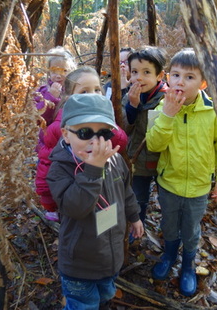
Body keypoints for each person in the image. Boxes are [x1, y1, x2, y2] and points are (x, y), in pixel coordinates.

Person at [46, 93, 144, 310]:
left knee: (106, 292)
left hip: (110, 256)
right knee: (83, 304)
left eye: (104, 133)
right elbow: (76, 207)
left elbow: (126, 190)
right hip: (80, 264)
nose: (95, 141)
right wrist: (93, 169)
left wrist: (134, 216)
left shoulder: (115, 160)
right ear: (65, 134)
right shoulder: (59, 170)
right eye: (84, 132)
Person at [145, 48, 217, 296]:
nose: (181, 82)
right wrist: (168, 115)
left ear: (202, 82)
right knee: (169, 225)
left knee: (191, 230)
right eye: (176, 75)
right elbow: (153, 145)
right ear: (168, 77)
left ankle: (188, 264)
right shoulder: (161, 106)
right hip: (169, 183)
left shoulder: (212, 111)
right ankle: (168, 256)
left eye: (189, 77)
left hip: (199, 187)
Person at [35, 66, 128, 222]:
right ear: (69, 96)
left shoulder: (104, 120)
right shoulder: (60, 126)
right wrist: (48, 198)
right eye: (84, 91)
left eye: (97, 89)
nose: (92, 95)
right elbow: (46, 160)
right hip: (76, 198)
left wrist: (110, 129)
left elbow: (121, 142)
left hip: (106, 204)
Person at [122, 46, 168, 223]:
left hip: (161, 161)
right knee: (138, 197)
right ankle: (136, 227)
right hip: (138, 160)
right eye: (134, 72)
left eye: (146, 72)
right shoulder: (131, 95)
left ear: (159, 76)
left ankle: (167, 230)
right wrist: (132, 106)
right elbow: (125, 128)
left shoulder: (166, 99)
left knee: (165, 199)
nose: (138, 77)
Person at [34, 46, 77, 153]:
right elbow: (40, 119)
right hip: (48, 143)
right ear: (48, 72)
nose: (58, 75)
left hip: (72, 141)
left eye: (64, 70)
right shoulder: (43, 92)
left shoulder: (75, 90)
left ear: (71, 71)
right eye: (54, 71)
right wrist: (51, 98)